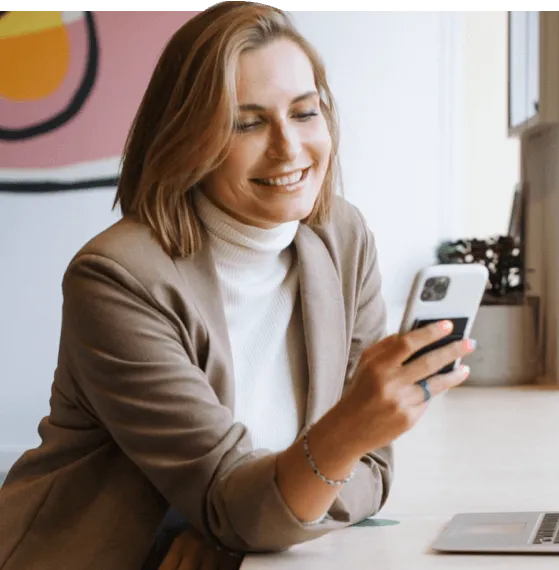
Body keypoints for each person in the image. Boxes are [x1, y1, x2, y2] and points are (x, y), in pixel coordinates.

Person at [0, 3, 476, 569]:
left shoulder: (342, 239)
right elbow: (271, 491)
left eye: (305, 113)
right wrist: (263, 505)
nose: (289, 148)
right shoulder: (116, 278)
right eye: (247, 122)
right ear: (188, 137)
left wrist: (249, 527)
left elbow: (370, 474)